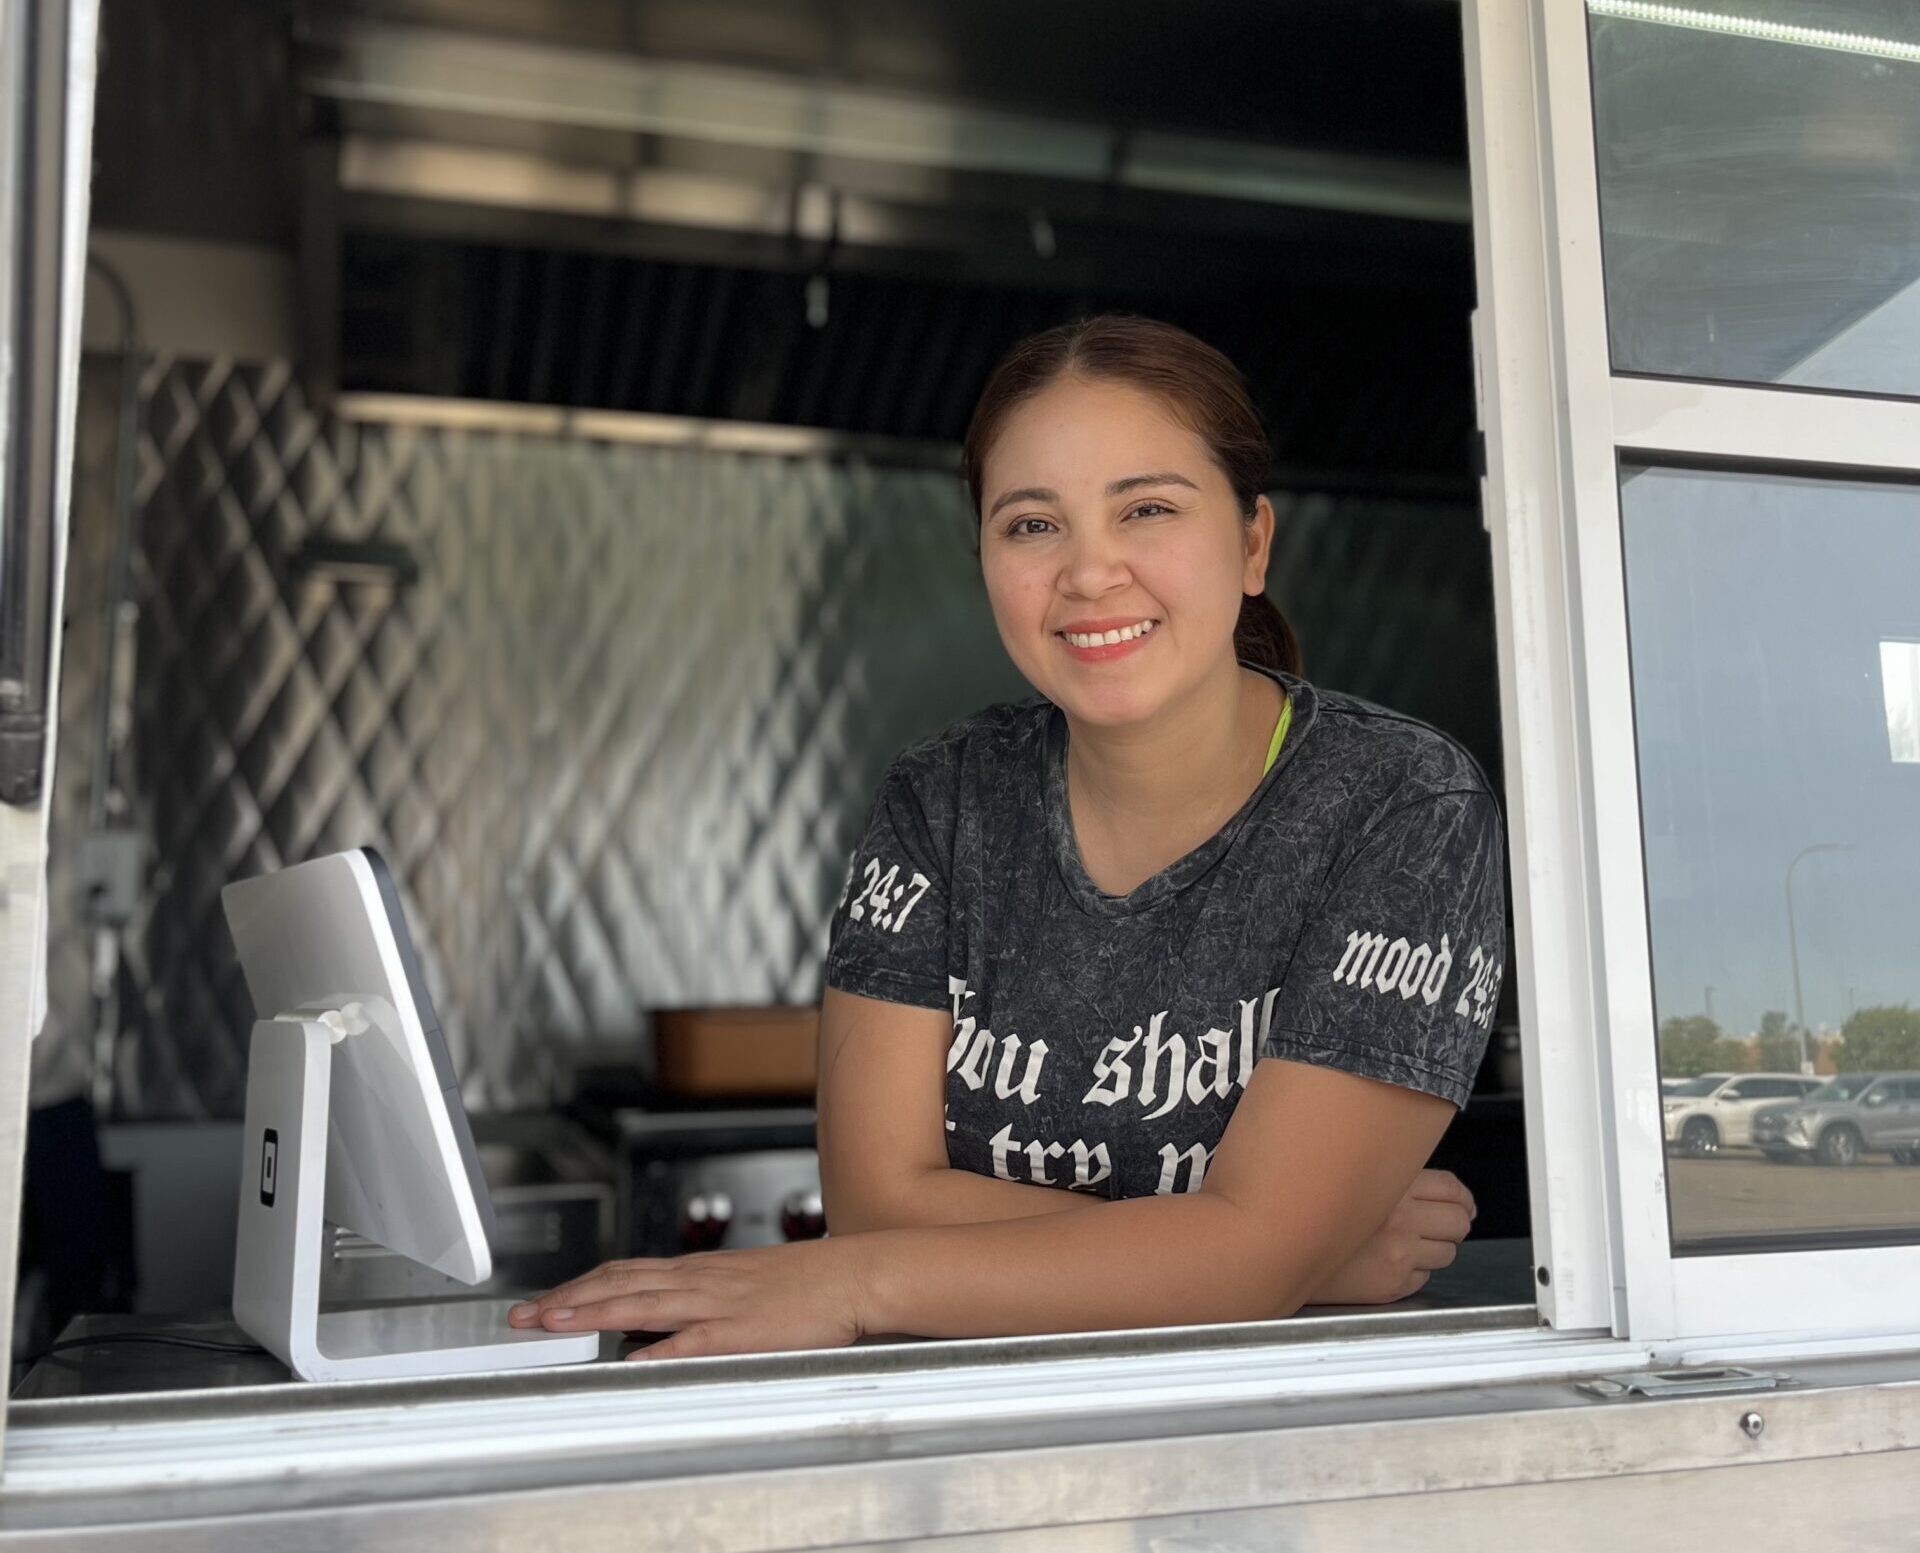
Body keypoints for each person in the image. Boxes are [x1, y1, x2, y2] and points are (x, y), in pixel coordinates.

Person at [511, 316, 1505, 1359]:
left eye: (1149, 508)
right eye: (1033, 525)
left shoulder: (1402, 806)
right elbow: (872, 1200)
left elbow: (1238, 1252)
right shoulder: (940, 800)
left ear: (1253, 542)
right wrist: (1277, 1257)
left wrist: (1253, 1255)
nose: (1089, 571)